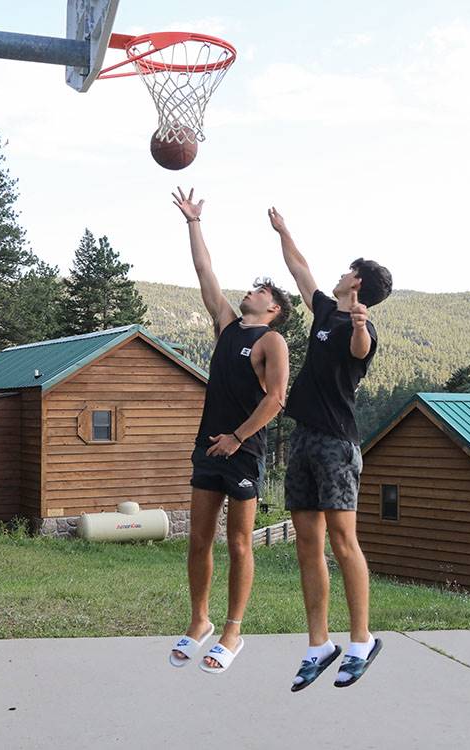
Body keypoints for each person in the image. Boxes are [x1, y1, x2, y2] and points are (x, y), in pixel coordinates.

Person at [268, 206, 393, 690]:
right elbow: (299, 268)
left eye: (348, 269)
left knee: (343, 543)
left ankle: (361, 640)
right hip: (303, 439)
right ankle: (319, 643)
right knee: (307, 545)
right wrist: (284, 231)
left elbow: (360, 350)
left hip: (337, 446)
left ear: (356, 283)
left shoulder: (360, 328)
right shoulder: (324, 309)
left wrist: (361, 323)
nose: (340, 274)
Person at [168, 188, 291, 674]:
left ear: (273, 307)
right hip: (207, 448)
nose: (252, 292)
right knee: (198, 540)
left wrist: (237, 438)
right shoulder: (226, 325)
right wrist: (193, 223)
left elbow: (276, 399)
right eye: (253, 289)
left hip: (242, 451)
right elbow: (204, 272)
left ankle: (233, 631)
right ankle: (199, 621)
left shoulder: (271, 340)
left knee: (238, 543)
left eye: (262, 292)